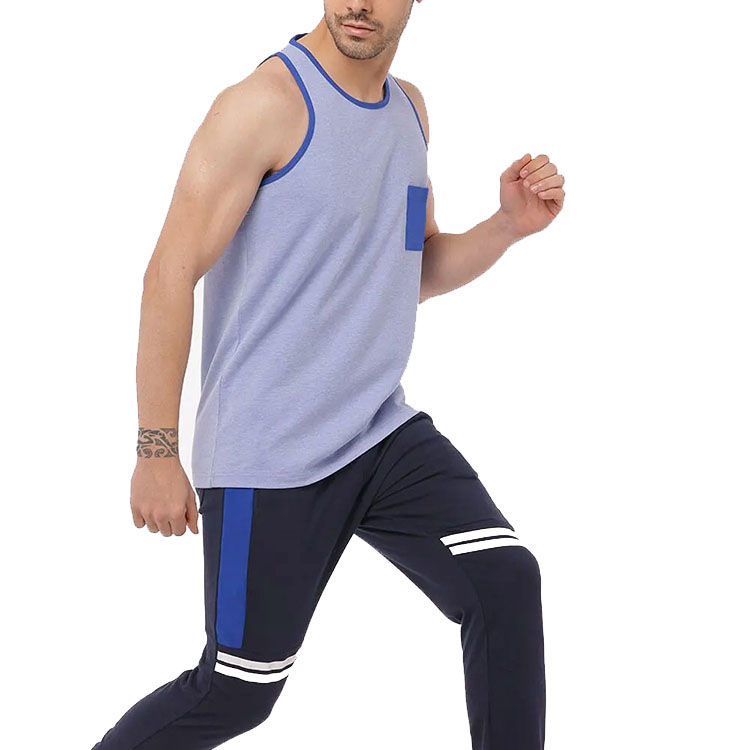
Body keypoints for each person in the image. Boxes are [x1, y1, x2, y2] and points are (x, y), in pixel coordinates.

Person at [92, 2, 565, 748]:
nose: (358, 3)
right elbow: (168, 275)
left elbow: (412, 271)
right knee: (237, 692)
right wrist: (157, 449)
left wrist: (506, 226)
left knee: (505, 580)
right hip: (269, 453)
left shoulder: (409, 111)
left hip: (379, 434)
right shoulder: (262, 107)